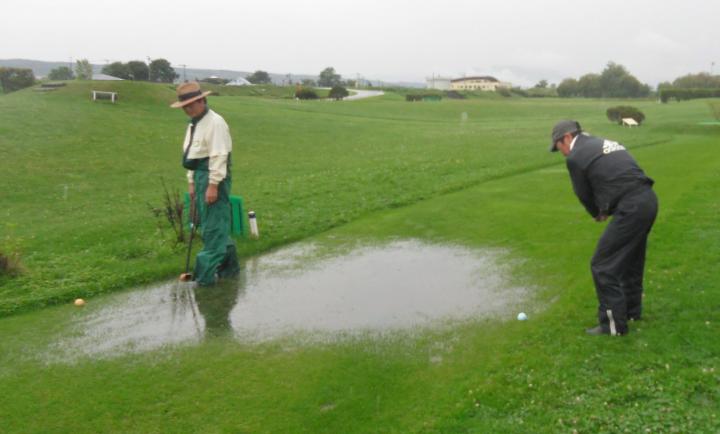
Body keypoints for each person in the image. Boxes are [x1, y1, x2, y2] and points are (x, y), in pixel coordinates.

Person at [550, 120, 658, 336]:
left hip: (631, 207)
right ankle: (631, 312)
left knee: (602, 265)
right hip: (648, 199)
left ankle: (613, 326)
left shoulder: (575, 156)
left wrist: (598, 212)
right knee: (631, 260)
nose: (560, 152)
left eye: (558, 146)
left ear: (567, 138)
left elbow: (583, 192)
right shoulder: (601, 142)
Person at [171, 81, 240, 286]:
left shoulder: (215, 123)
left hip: (213, 177)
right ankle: (230, 270)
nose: (187, 110)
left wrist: (213, 185)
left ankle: (204, 279)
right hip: (201, 176)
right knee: (214, 223)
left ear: (202, 100)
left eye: (191, 105)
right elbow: (192, 155)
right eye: (185, 106)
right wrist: (191, 182)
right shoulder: (194, 123)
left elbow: (219, 156)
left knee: (212, 227)